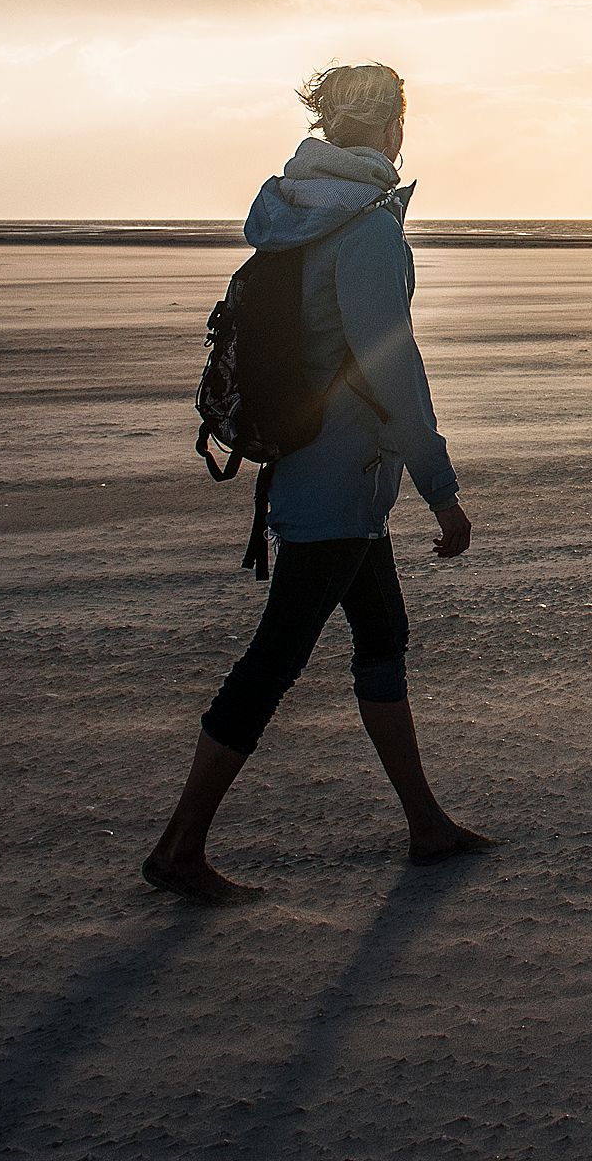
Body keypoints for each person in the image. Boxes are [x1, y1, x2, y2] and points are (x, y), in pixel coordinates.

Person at [143, 62, 490, 902]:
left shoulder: (294, 216)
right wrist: (441, 488)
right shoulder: (367, 230)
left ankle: (426, 824)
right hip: (340, 479)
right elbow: (392, 369)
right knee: (276, 656)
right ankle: (179, 848)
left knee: (382, 635)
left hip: (320, 467)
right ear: (394, 130)